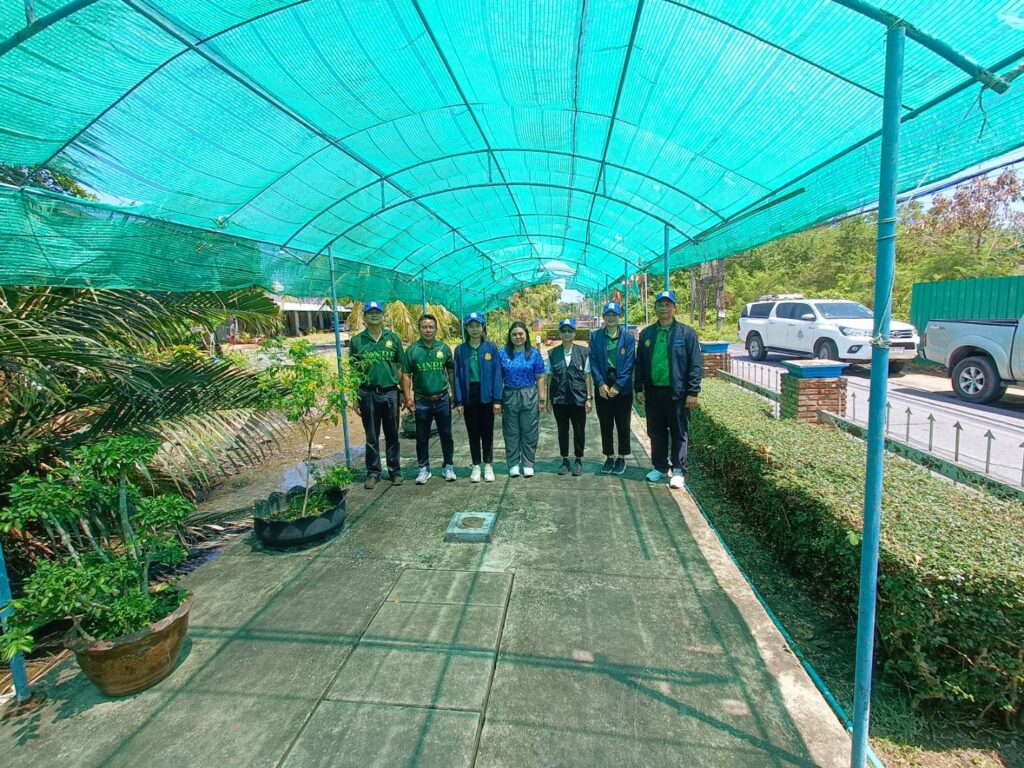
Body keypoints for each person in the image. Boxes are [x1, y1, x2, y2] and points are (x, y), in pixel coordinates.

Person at [634, 290, 703, 490]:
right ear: (655, 308)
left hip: (678, 393)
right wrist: (639, 388)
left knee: (679, 431)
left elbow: (695, 364)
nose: (664, 308)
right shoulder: (647, 334)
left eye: (667, 305)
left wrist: (693, 392)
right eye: (660, 305)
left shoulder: (686, 333)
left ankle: (679, 470)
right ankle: (661, 467)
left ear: (674, 308)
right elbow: (640, 363)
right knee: (656, 431)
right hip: (653, 392)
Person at [350, 300, 404, 489]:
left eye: (377, 312)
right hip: (368, 394)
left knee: (392, 434)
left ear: (383, 315)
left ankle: (395, 471)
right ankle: (373, 472)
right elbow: (354, 371)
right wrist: (355, 396)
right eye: (370, 312)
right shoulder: (357, 341)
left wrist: (402, 392)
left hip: (390, 393)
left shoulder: (393, 338)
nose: (374, 315)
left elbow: (400, 366)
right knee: (371, 436)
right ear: (364, 316)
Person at [401, 314, 456, 484]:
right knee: (422, 436)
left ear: (436, 329)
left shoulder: (443, 348)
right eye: (424, 327)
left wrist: (455, 393)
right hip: (422, 401)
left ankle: (448, 466)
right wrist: (408, 398)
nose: (428, 330)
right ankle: (424, 468)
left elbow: (451, 371)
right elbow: (406, 375)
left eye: (431, 327)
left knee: (446, 434)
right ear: (419, 329)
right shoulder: (412, 350)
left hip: (442, 399)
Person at [453, 312, 503, 483]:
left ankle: (488, 465)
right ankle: (476, 466)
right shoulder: (460, 350)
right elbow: (457, 376)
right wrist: (459, 401)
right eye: (471, 326)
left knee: (487, 432)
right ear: (466, 328)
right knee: (473, 432)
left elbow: (497, 374)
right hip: (470, 394)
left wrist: (497, 399)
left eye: (478, 326)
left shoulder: (491, 348)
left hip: (487, 394)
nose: (475, 329)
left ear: (483, 327)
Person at [588, 301, 636, 474]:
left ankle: (621, 457)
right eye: (607, 315)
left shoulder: (628, 337)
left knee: (623, 423)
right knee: (605, 423)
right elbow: (593, 361)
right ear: (603, 317)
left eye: (614, 315)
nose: (611, 318)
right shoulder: (596, 336)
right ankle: (609, 456)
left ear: (619, 316)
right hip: (603, 382)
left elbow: (629, 363)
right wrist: (600, 383)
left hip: (622, 384)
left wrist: (618, 385)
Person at [498, 321, 546, 477]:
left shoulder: (534, 354)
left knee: (529, 430)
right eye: (514, 334)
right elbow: (498, 378)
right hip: (510, 395)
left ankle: (528, 463)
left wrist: (542, 398)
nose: (518, 337)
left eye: (520, 334)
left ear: (526, 335)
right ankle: (513, 464)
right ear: (510, 336)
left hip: (529, 394)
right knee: (511, 431)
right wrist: (497, 400)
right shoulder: (503, 354)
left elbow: (540, 376)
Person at [545, 317, 592, 476]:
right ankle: (565, 459)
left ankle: (578, 459)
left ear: (574, 333)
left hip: (578, 398)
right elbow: (549, 377)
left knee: (579, 430)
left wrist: (589, 398)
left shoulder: (583, 352)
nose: (566, 333)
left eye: (569, 331)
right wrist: (548, 400)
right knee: (562, 430)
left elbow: (587, 376)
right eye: (563, 331)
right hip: (559, 399)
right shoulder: (552, 353)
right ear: (559, 333)